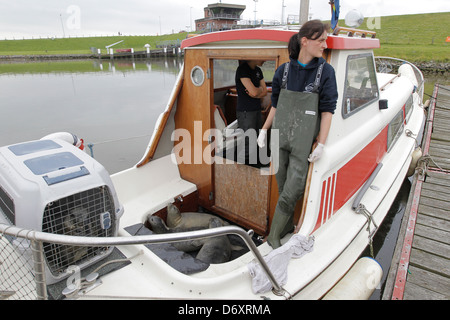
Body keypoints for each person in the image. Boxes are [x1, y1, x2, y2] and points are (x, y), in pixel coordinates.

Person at [258, 20, 338, 248]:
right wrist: (264, 131)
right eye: (321, 40)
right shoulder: (283, 71)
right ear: (305, 41)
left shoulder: (326, 72)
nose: (324, 45)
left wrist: (321, 143)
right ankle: (286, 228)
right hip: (279, 139)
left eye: (325, 40)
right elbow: (275, 105)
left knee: (294, 188)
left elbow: (327, 111)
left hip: (303, 145)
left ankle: (273, 236)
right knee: (284, 188)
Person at [235, 60, 267, 165]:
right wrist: (259, 90)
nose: (265, 59)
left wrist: (256, 92)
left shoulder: (258, 70)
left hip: (256, 110)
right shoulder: (243, 70)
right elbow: (254, 91)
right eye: (263, 57)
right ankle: (238, 169)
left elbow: (265, 91)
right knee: (248, 144)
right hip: (246, 112)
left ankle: (252, 168)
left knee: (258, 139)